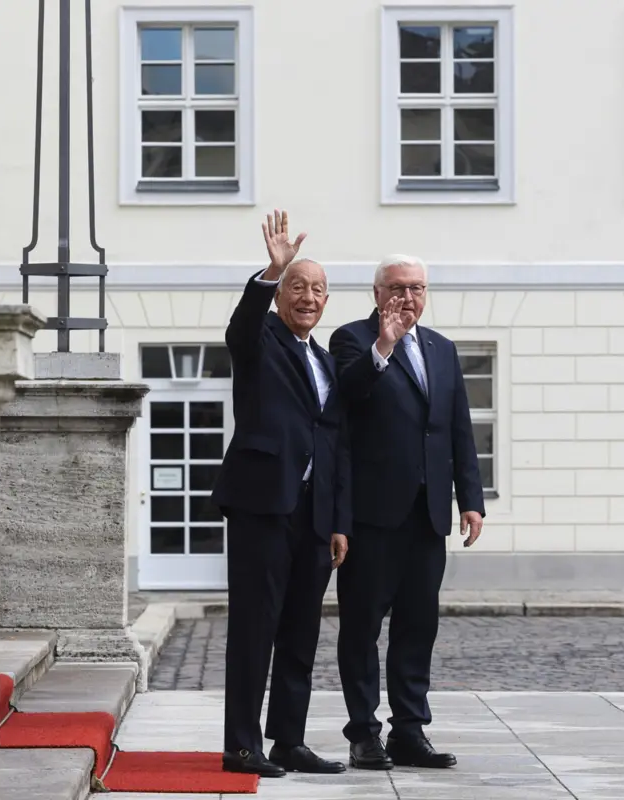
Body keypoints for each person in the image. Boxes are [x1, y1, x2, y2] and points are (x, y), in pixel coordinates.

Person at [328, 254, 485, 771]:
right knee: (361, 629)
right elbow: (348, 398)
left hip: (428, 515)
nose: (407, 298)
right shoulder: (351, 340)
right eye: (397, 288)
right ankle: (364, 733)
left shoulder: (442, 349)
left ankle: (410, 731)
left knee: (418, 627)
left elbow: (457, 426)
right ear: (376, 293)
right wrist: (385, 345)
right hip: (371, 517)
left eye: (416, 288)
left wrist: (472, 499)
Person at [210, 210, 351, 778]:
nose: (309, 297)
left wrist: (339, 519)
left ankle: (289, 740)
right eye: (298, 287)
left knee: (299, 633)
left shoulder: (324, 359)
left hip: (314, 517)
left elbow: (334, 443)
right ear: (281, 295)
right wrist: (271, 270)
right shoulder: (260, 337)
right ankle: (242, 746)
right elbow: (239, 327)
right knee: (254, 630)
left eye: (318, 289)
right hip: (261, 506)